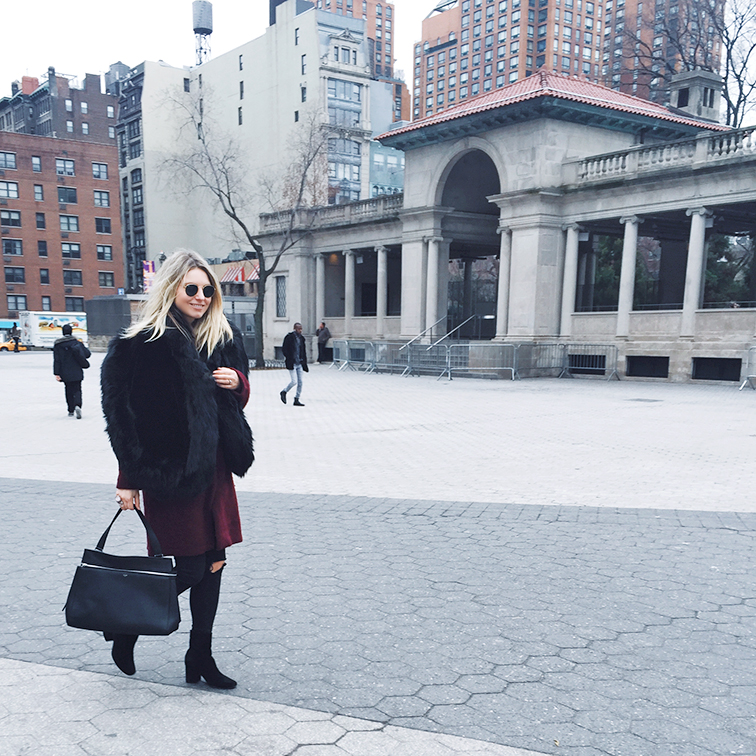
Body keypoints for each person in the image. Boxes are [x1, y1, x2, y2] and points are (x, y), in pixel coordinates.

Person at [100, 249, 254, 689]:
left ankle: (200, 657)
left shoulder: (220, 337)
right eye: (192, 288)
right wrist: (127, 480)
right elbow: (123, 417)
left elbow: (238, 402)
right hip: (171, 473)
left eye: (208, 290)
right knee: (187, 569)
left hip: (216, 471)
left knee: (214, 565)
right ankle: (126, 625)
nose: (201, 296)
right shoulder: (142, 343)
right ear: (171, 288)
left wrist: (238, 383)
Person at [53, 323, 91, 418]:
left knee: (68, 389)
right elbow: (87, 354)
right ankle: (78, 405)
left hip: (64, 371)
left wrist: (56, 373)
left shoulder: (58, 345)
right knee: (77, 389)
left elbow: (57, 360)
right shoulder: (77, 343)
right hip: (77, 370)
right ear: (71, 332)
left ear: (63, 332)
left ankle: (71, 409)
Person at [280, 322, 308, 406]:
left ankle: (297, 399)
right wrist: (289, 357)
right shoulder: (289, 337)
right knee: (294, 381)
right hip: (292, 362)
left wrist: (304, 362)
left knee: (300, 382)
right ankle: (284, 391)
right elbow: (284, 348)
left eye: (301, 329)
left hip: (300, 362)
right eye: (299, 329)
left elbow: (303, 351)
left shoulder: (301, 338)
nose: (300, 330)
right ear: (295, 329)